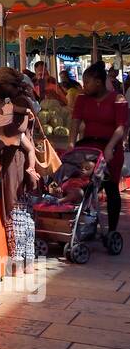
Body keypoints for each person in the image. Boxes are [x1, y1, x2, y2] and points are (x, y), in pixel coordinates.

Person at [0, 67, 40, 271]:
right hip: (12, 158)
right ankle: (25, 261)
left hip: (17, 160)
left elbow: (15, 131)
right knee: (20, 210)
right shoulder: (14, 103)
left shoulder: (21, 102)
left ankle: (22, 261)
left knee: (17, 208)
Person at [69, 61, 128, 234]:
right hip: (89, 147)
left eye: (87, 82)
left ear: (98, 82)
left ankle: (112, 230)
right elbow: (75, 122)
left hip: (111, 149)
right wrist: (72, 143)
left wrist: (110, 147)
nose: (84, 85)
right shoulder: (82, 99)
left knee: (111, 188)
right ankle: (86, 224)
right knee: (86, 186)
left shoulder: (118, 99)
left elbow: (121, 127)